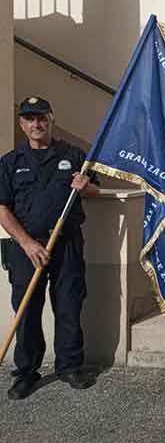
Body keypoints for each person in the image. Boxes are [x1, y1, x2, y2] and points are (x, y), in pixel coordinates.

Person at [0, 97, 100, 399]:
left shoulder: (73, 155)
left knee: (68, 304)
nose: (37, 124)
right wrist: (27, 243)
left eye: (42, 118)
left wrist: (86, 186)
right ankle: (26, 372)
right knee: (27, 309)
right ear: (22, 124)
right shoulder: (10, 162)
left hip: (65, 243)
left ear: (51, 120)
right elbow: (2, 209)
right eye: (30, 119)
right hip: (26, 248)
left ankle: (69, 366)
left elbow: (95, 189)